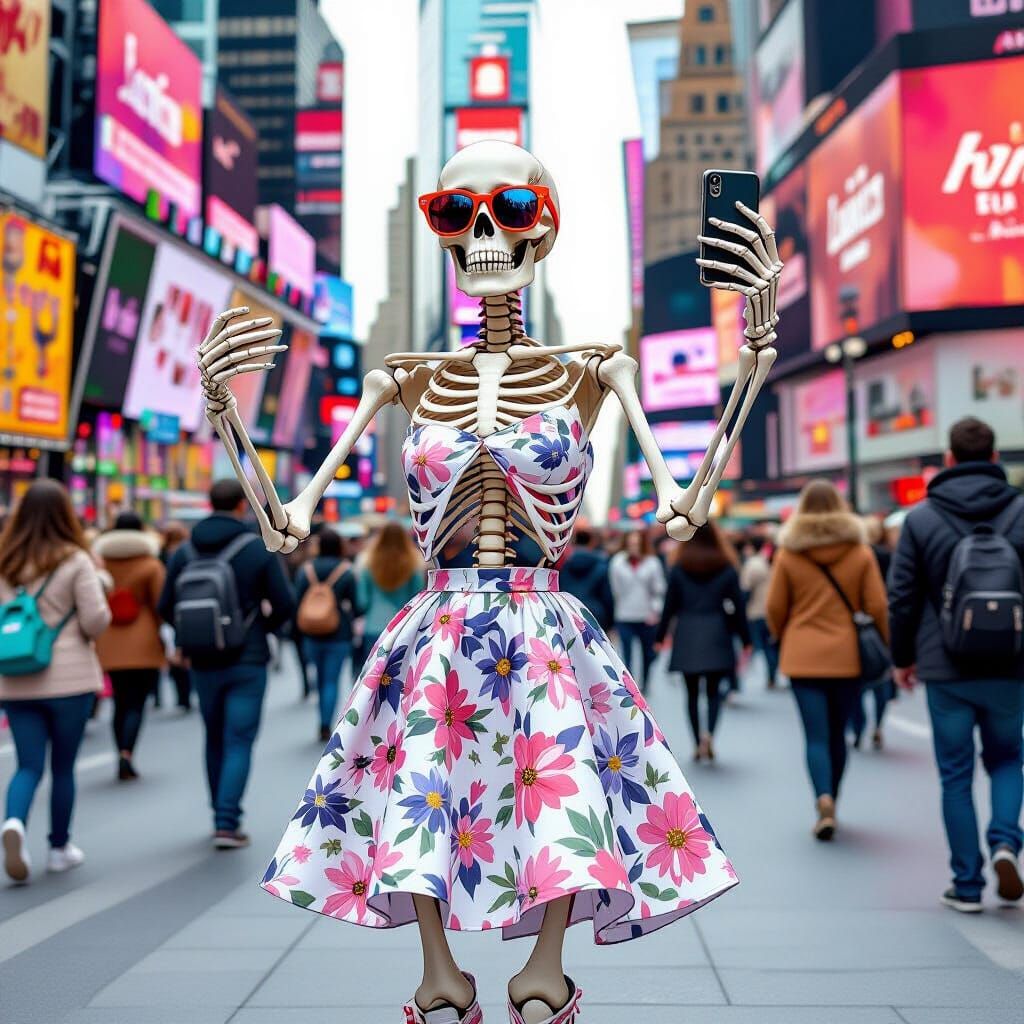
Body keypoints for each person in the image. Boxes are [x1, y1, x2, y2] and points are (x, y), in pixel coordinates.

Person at [888, 416, 1024, 912]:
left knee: (955, 775)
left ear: (947, 459)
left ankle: (967, 884)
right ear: (994, 458)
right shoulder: (1021, 511)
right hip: (1010, 662)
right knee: (1009, 759)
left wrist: (902, 658)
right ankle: (1006, 841)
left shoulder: (921, 518)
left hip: (943, 664)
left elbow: (901, 598)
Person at [159, 479, 294, 849]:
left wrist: (195, 634)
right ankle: (226, 820)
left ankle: (218, 812)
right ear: (242, 506)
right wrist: (257, 628)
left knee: (214, 736)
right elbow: (285, 604)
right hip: (247, 659)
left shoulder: (185, 551)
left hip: (203, 660)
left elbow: (165, 606)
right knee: (238, 739)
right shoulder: (257, 549)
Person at [0, 480, 112, 883]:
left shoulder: (4, 559)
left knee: (28, 764)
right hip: (69, 679)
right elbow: (95, 621)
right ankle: (59, 848)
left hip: (15, 678)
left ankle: (14, 822)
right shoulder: (76, 560)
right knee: (63, 767)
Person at [766, 480, 888, 841]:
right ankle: (834, 796)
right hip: (847, 656)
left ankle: (821, 799)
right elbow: (877, 606)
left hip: (802, 656)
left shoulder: (789, 554)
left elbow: (775, 608)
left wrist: (786, 634)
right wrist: (885, 643)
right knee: (839, 733)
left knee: (815, 736)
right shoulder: (859, 552)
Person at [657, 523, 751, 761]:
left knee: (690, 694)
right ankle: (709, 734)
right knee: (713, 692)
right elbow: (739, 607)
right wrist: (746, 638)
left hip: (687, 632)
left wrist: (659, 637)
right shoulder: (726, 568)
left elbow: (670, 606)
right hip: (717, 631)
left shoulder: (678, 568)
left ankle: (697, 739)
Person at [93, 512, 166, 781]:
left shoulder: (100, 563)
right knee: (137, 702)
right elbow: (160, 603)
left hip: (109, 637)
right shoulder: (150, 564)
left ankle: (119, 752)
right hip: (143, 637)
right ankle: (128, 753)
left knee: (121, 702)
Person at [294, 528, 359, 742]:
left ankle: (320, 714)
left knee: (320, 677)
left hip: (311, 633)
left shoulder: (306, 570)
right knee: (331, 680)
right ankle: (325, 722)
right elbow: (357, 605)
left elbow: (297, 599)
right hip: (338, 633)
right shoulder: (346, 571)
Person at [356, 522, 424, 660]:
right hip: (402, 627)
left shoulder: (368, 563)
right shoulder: (414, 563)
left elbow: (362, 601)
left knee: (372, 674)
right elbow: (418, 597)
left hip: (373, 626)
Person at [609, 529, 666, 693]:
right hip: (624, 614)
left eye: (637, 543)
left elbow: (659, 590)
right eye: (631, 543)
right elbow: (615, 590)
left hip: (647, 615)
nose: (634, 546)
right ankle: (630, 684)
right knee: (626, 651)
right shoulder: (617, 562)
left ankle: (646, 682)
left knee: (647, 652)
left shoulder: (652, 562)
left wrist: (655, 611)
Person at [159, 521, 192, 711]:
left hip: (173, 612)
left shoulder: (160, 556)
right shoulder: (188, 553)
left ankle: (181, 695)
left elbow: (163, 599)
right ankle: (186, 693)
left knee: (175, 653)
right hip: (191, 608)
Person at [740, 535, 779, 689]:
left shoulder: (753, 564)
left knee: (754, 647)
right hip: (770, 611)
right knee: (770, 646)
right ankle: (771, 676)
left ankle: (738, 681)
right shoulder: (770, 561)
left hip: (755, 612)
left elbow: (746, 590)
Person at [558, 524, 614, 631]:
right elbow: (607, 596)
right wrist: (610, 622)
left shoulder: (564, 565)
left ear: (574, 542)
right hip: (595, 615)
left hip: (570, 613)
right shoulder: (601, 566)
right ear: (591, 542)